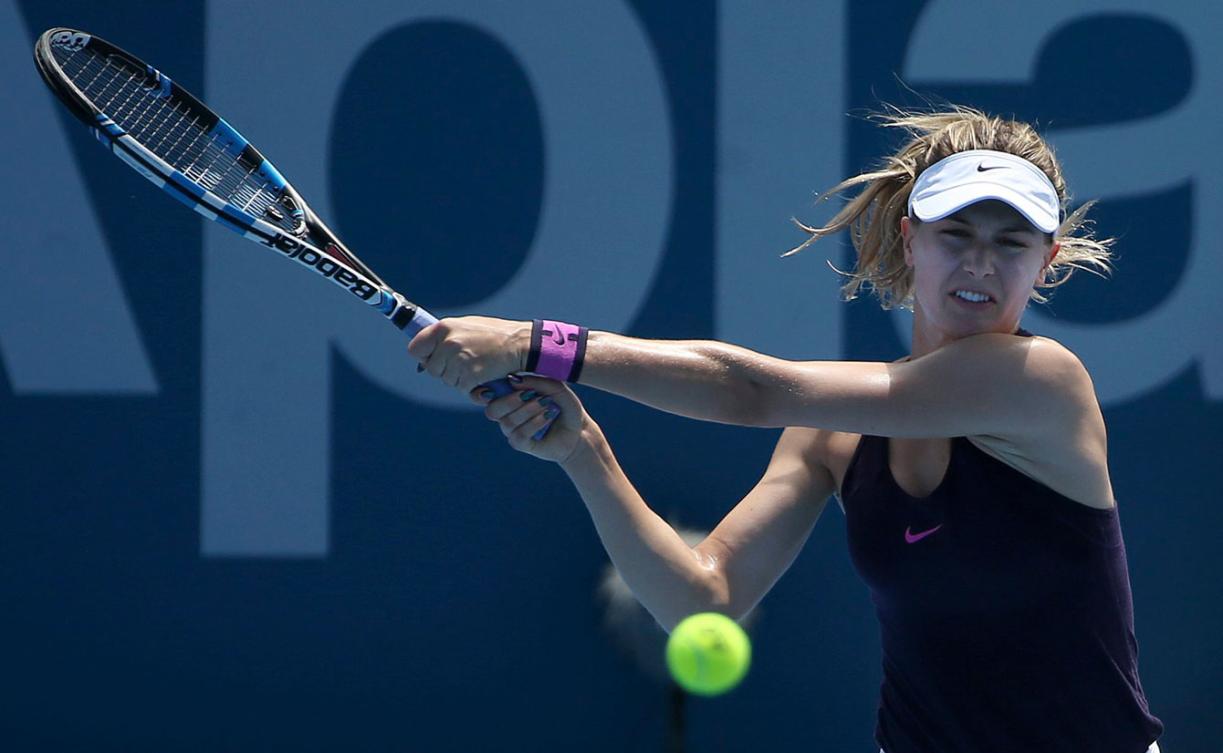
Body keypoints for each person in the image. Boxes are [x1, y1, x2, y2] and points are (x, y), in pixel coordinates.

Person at [408, 106, 1164, 753]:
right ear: (909, 240)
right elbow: (701, 603)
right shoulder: (832, 439)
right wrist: (583, 451)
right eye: (955, 232)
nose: (979, 262)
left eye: (1011, 241)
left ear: (1047, 259)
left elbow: (752, 391)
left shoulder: (1043, 382)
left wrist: (540, 343)